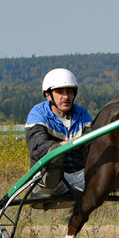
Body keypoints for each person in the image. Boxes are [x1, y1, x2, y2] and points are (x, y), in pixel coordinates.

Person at [25, 68, 93, 196]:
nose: (66, 96)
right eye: (60, 92)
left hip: (78, 178)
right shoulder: (38, 113)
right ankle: (53, 180)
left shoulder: (82, 114)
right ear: (48, 95)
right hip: (44, 183)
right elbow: (38, 146)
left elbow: (94, 146)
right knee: (55, 153)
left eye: (69, 92)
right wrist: (62, 146)